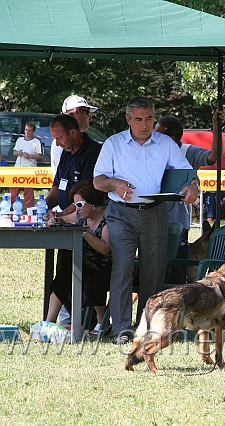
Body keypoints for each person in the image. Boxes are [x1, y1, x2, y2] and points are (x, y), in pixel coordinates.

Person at [94, 96, 199, 345]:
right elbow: (98, 180)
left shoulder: (165, 143)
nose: (145, 124)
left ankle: (149, 325)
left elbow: (187, 174)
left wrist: (193, 187)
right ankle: (120, 329)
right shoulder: (114, 143)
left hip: (155, 211)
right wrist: (115, 183)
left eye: (149, 118)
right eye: (139, 119)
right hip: (121, 212)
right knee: (122, 267)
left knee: (153, 271)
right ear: (128, 120)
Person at [44, 180, 111, 337]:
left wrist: (83, 232)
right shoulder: (81, 216)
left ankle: (102, 322)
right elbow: (65, 219)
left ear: (93, 203)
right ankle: (48, 323)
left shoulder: (108, 218)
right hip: (87, 265)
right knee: (64, 275)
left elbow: (104, 248)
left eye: (80, 204)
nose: (77, 209)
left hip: (108, 267)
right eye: (75, 204)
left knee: (93, 283)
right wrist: (55, 219)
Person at [51, 95, 99, 178]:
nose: (90, 118)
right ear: (77, 112)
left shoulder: (86, 143)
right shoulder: (61, 144)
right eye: (87, 112)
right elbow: (58, 179)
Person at [10, 122, 44, 208]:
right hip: (18, 168)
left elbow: (41, 156)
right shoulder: (20, 140)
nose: (27, 132)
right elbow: (14, 152)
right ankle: (12, 207)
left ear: (33, 132)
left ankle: (29, 208)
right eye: (26, 130)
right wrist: (18, 153)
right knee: (14, 188)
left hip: (30, 169)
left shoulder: (36, 141)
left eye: (29, 130)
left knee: (28, 189)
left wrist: (30, 156)